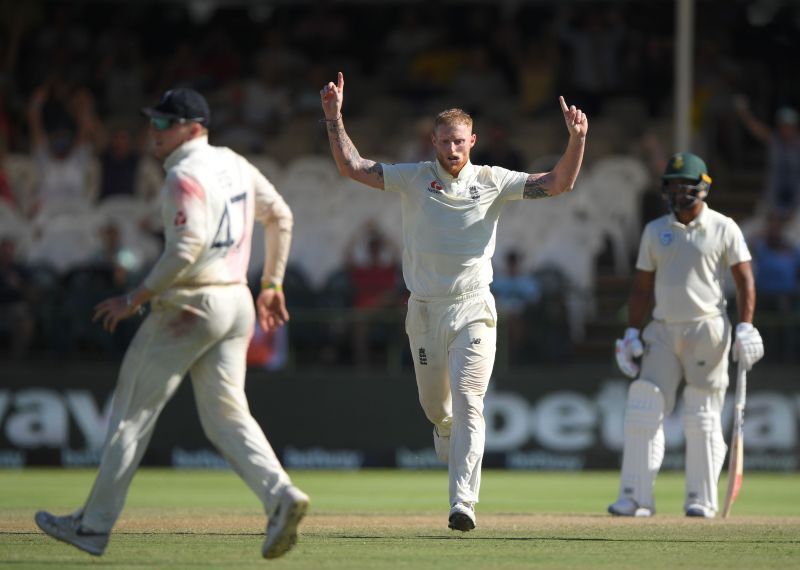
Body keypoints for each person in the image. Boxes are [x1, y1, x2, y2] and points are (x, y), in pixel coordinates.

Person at [34, 88, 309, 559]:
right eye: (153, 123)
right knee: (226, 417)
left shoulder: (183, 174)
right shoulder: (234, 163)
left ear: (194, 128)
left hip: (190, 304)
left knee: (129, 416)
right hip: (236, 302)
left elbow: (186, 248)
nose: (154, 132)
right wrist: (272, 284)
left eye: (165, 124)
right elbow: (279, 215)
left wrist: (134, 297)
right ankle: (281, 495)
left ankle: (93, 526)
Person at [320, 72, 588, 531]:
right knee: (436, 409)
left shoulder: (493, 180)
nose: (453, 149)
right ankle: (443, 429)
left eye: (460, 141)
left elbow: (559, 183)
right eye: (445, 141)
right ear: (434, 142)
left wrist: (577, 139)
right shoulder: (413, 178)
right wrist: (334, 118)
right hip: (424, 309)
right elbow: (352, 167)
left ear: (473, 141)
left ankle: (462, 503)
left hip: (473, 308)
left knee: (469, 401)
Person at [611, 152, 764, 519]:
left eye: (686, 185)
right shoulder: (654, 230)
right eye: (673, 185)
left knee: (702, 415)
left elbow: (744, 280)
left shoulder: (724, 227)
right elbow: (641, 288)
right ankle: (635, 497)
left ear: (702, 188)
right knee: (643, 406)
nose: (679, 192)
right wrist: (632, 332)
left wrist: (745, 324)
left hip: (707, 328)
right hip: (663, 329)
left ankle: (701, 499)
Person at [733, 97, 800, 217]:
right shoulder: (774, 140)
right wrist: (743, 112)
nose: (786, 129)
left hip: (796, 196)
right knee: (759, 220)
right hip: (773, 195)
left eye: (789, 125)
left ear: (795, 127)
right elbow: (755, 128)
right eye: (783, 125)